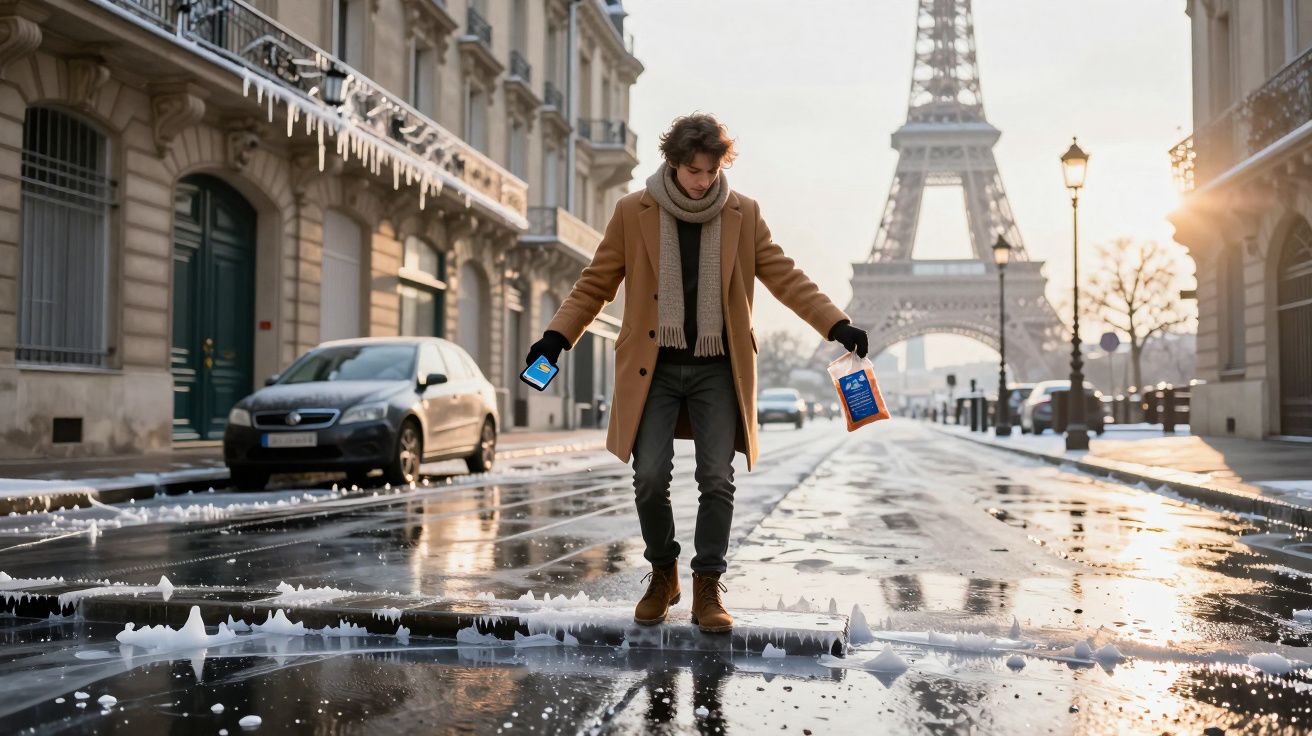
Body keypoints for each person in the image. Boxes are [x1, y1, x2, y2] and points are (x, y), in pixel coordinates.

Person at [525, 113, 868, 633]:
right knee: (649, 476)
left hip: (717, 369)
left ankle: (708, 583)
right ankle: (664, 573)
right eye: (693, 171)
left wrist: (836, 324)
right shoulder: (632, 211)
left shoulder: (743, 214)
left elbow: (785, 276)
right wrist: (556, 337)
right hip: (654, 368)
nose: (703, 181)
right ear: (673, 163)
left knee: (716, 478)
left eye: (712, 171)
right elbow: (595, 283)